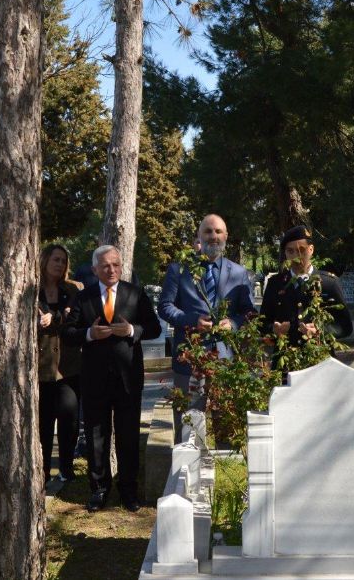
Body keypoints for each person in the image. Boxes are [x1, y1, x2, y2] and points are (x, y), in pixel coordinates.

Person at [62, 245, 161, 513]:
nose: (112, 270)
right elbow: (67, 333)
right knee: (96, 434)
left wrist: (131, 329)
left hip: (128, 377)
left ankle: (128, 490)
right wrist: (90, 334)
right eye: (105, 266)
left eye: (116, 264)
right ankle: (99, 489)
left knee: (128, 436)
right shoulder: (84, 298)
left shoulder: (134, 293)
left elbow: (154, 328)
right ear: (95, 269)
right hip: (94, 377)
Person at [157, 214, 256, 395]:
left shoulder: (239, 273)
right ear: (199, 235)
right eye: (208, 231)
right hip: (188, 357)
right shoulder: (179, 269)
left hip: (225, 359)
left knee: (224, 421)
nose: (213, 236)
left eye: (218, 231)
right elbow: (164, 306)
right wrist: (192, 320)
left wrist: (233, 324)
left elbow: (248, 312)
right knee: (189, 419)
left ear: (226, 235)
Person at [259, 225, 353, 353]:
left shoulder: (329, 283)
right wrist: (274, 330)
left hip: (319, 358)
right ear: (285, 253)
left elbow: (345, 326)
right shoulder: (275, 284)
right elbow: (263, 323)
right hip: (285, 360)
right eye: (290, 251)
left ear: (311, 249)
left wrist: (320, 331)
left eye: (301, 250)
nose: (296, 256)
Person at [36, 244, 82, 483]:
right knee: (43, 422)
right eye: (55, 259)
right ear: (44, 261)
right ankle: (42, 470)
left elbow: (75, 318)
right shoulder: (31, 290)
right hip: (41, 367)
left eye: (63, 260)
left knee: (69, 416)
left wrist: (56, 318)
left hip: (68, 366)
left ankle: (66, 466)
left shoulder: (73, 290)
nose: (60, 264)